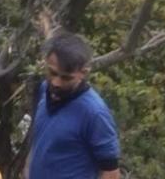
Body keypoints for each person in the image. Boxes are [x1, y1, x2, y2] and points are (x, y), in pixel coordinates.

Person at [27, 32, 120, 179]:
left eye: (66, 78)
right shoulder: (44, 88)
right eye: (53, 73)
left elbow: (111, 172)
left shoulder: (94, 113)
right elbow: (41, 143)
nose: (56, 82)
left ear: (83, 73)